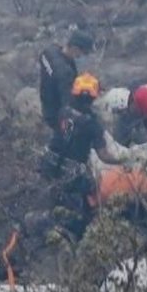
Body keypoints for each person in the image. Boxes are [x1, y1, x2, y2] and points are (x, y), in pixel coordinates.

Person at [46, 73, 106, 233]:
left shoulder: (63, 111)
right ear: (93, 98)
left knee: (52, 199)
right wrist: (125, 159)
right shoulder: (93, 124)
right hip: (73, 175)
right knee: (86, 205)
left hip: (49, 163)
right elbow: (103, 155)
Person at [38, 28, 93, 142]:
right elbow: (68, 105)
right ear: (75, 48)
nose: (83, 56)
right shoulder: (65, 72)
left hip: (46, 101)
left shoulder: (48, 52)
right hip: (55, 114)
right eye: (84, 52)